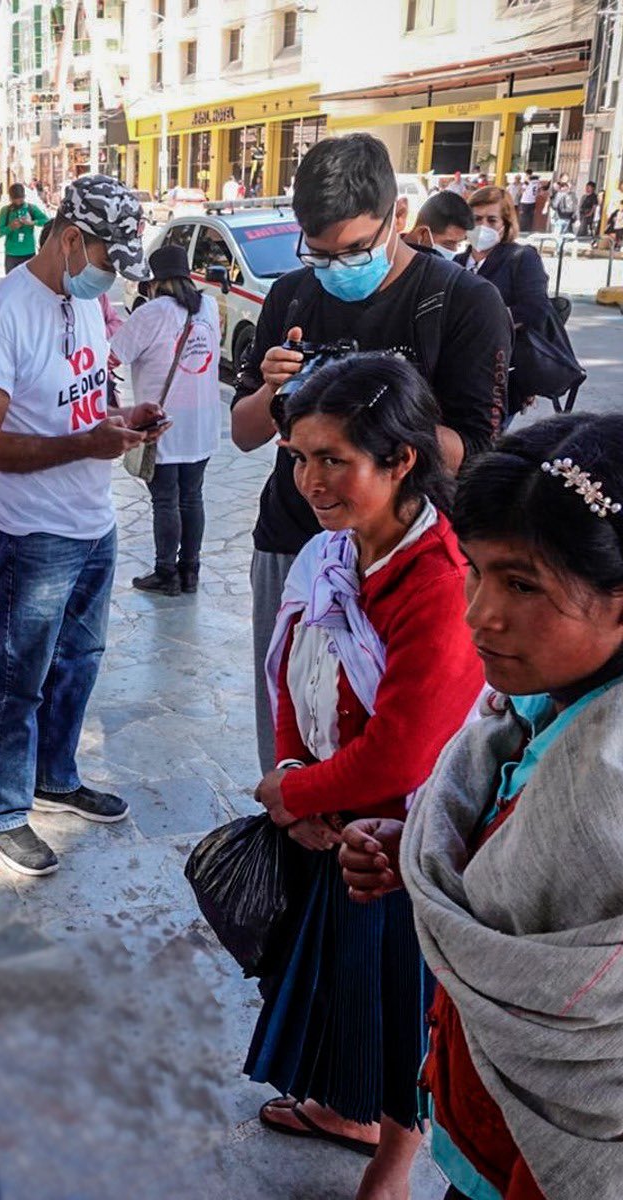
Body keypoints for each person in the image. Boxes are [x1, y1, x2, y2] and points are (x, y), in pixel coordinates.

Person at [340, 412, 623, 1200]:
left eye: (522, 584)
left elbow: (598, 1081)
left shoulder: (612, 783)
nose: (478, 614)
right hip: (477, 1122)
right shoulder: (529, 705)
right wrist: (419, 850)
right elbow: (516, 866)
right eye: (476, 571)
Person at [248, 352, 484, 1199]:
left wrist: (296, 796)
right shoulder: (333, 552)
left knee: (401, 1005)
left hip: (398, 846)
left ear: (401, 460)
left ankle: (395, 1155)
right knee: (348, 989)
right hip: (330, 819)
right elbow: (289, 664)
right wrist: (289, 773)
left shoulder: (440, 583)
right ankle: (350, 1111)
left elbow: (404, 754)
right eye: (299, 457)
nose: (311, 481)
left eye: (333, 460)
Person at [230, 132, 510, 773]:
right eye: (320, 253)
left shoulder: (463, 303)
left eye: (355, 249)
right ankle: (293, 844)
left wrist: (374, 409)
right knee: (291, 730)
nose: (336, 267)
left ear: (398, 221)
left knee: (399, 752)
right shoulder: (293, 297)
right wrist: (274, 391)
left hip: (408, 562)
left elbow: (478, 449)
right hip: (292, 545)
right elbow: (247, 432)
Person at [0, 175, 157, 877]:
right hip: (34, 532)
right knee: (21, 674)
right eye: (107, 260)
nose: (110, 279)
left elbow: (76, 403)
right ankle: (5, 808)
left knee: (80, 660)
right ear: (71, 241)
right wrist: (84, 445)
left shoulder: (86, 304)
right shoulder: (5, 313)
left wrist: (117, 423)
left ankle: (55, 775)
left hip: (91, 520)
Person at [110, 243, 221, 596]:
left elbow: (111, 356)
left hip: (163, 421)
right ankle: (191, 572)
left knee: (165, 500)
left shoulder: (152, 312)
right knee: (193, 497)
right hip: (202, 421)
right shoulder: (209, 306)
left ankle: (166, 574)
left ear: (154, 281)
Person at [455, 185, 550, 421]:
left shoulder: (520, 258)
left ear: (505, 224)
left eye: (491, 220)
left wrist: (487, 322)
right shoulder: (456, 261)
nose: (483, 227)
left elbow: (534, 309)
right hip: (455, 375)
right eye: (476, 219)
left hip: (499, 377)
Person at [402, 190, 474, 259]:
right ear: (422, 234)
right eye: (448, 244)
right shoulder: (392, 262)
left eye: (459, 244)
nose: (454, 251)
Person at [0, 183, 50, 274]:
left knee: (29, 282)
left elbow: (47, 221)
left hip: (29, 252)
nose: (18, 202)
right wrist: (10, 227)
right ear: (10, 198)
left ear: (24, 196)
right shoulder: (5, 211)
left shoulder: (31, 208)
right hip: (12, 254)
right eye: (15, 200)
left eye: (20, 200)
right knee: (12, 282)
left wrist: (32, 222)